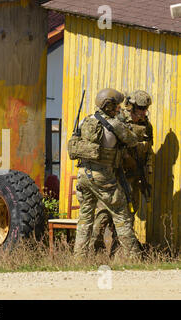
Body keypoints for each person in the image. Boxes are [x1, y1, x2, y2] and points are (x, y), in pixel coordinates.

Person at [70, 88, 142, 259]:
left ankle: (79, 258)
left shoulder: (84, 121)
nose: (119, 109)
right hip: (103, 176)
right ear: (109, 106)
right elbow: (132, 141)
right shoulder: (114, 125)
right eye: (117, 105)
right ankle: (134, 258)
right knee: (121, 214)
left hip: (83, 175)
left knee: (85, 218)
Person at [90, 90, 153, 256]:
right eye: (140, 109)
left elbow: (148, 151)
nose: (143, 112)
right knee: (103, 214)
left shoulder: (146, 125)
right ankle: (92, 252)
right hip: (115, 176)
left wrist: (147, 172)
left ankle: (120, 254)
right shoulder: (118, 120)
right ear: (131, 107)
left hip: (134, 177)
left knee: (128, 216)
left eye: (145, 109)